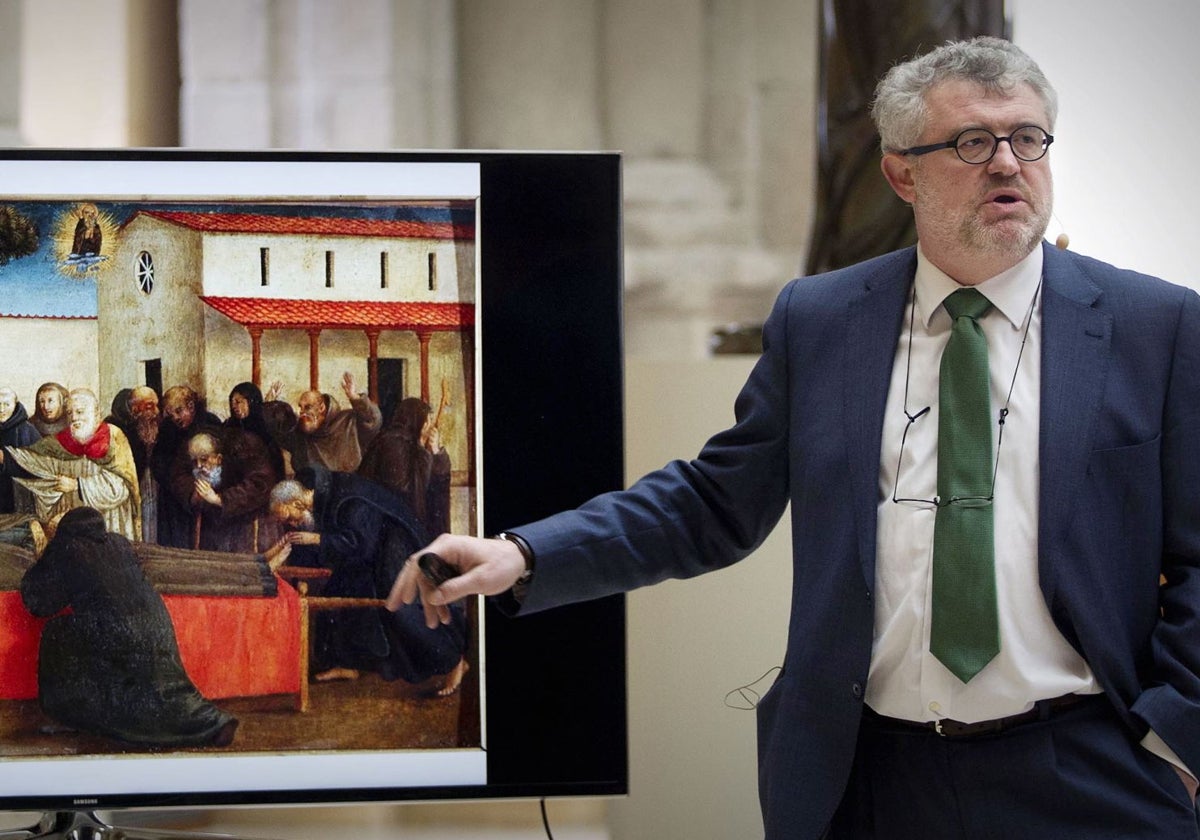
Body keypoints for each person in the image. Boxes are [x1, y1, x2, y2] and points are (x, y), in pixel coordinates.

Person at [388, 37, 1200, 839]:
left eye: (1028, 139)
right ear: (900, 172)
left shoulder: (1153, 327)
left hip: (1088, 774)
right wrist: (528, 555)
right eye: (971, 142)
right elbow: (714, 502)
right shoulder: (823, 320)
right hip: (871, 780)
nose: (1007, 164)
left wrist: (1174, 739)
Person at [19, 506, 237, 748]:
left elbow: (38, 604)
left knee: (57, 632)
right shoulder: (119, 543)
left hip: (115, 633)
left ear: (65, 531)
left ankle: (70, 716)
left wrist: (45, 556)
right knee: (169, 688)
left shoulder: (67, 547)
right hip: (157, 626)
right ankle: (212, 721)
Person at [267, 466, 467, 694]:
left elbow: (361, 543)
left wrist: (318, 539)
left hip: (396, 547)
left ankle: (453, 659)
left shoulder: (349, 502)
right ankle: (348, 663)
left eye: (290, 518)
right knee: (339, 589)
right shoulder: (316, 496)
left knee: (400, 607)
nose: (292, 524)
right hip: (370, 551)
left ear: (297, 503)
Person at [5, 388, 141, 540]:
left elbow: (121, 487)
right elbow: (37, 461)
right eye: (70, 413)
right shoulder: (63, 440)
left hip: (108, 519)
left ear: (96, 413)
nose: (74, 418)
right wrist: (6, 457)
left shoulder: (113, 437)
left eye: (80, 412)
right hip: (71, 519)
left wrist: (77, 485)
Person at [358, 396, 451, 538]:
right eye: (427, 420)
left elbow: (438, 482)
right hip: (393, 528)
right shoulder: (393, 443)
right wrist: (422, 447)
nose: (429, 424)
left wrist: (435, 450)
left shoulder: (410, 443)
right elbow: (407, 491)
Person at [176, 430, 277, 553]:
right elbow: (179, 479)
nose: (199, 466)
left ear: (218, 459)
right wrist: (194, 495)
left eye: (204, 460)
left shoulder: (245, 449)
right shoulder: (199, 470)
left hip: (246, 528)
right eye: (194, 461)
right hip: (212, 533)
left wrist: (220, 499)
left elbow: (259, 484)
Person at [152, 385, 221, 548]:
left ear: (191, 406)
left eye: (178, 411)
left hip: (205, 495)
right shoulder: (168, 428)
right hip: (174, 499)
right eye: (171, 413)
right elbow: (158, 462)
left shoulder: (210, 423)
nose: (175, 417)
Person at [286, 372, 382, 474]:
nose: (302, 412)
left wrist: (354, 397)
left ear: (321, 408)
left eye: (308, 407)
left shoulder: (347, 420)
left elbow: (374, 421)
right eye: (300, 407)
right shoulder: (302, 430)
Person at [0, 388, 40, 513]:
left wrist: (4, 459)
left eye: (6, 404)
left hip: (18, 499)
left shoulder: (27, 430)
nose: (1, 409)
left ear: (15, 405)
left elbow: (37, 466)